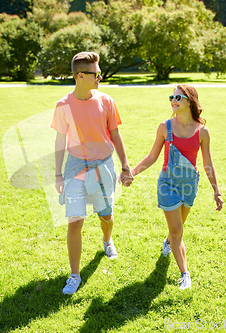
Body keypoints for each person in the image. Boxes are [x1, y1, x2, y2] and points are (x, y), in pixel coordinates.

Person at [51, 52, 133, 295]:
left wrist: (125, 165)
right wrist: (57, 174)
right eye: (96, 74)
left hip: (104, 166)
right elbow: (59, 141)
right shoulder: (63, 105)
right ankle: (74, 275)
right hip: (75, 168)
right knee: (74, 222)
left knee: (105, 216)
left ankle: (107, 241)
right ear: (80, 76)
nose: (100, 77)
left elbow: (115, 134)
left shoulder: (106, 101)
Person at [129, 84, 223, 290]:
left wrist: (216, 190)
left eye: (178, 97)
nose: (173, 100)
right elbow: (153, 156)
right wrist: (132, 173)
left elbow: (208, 162)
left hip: (189, 184)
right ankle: (184, 274)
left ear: (190, 100)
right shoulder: (165, 127)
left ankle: (169, 241)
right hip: (168, 184)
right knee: (178, 230)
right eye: (172, 97)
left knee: (176, 229)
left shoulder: (202, 132)